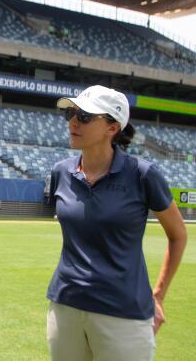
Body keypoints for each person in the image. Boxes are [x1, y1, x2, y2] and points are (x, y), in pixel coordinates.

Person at [46, 85, 187, 361]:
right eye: (71, 114)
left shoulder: (143, 175)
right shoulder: (61, 172)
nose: (73, 121)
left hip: (123, 313)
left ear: (113, 127)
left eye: (85, 116)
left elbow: (178, 234)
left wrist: (158, 296)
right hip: (65, 306)